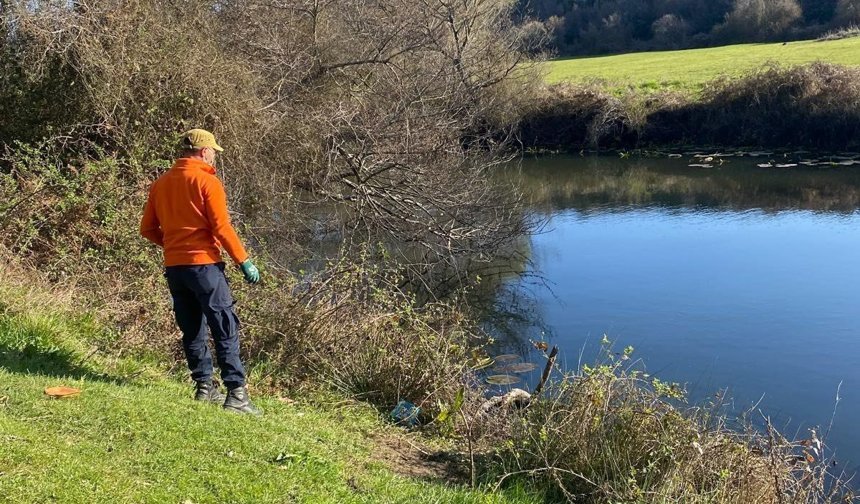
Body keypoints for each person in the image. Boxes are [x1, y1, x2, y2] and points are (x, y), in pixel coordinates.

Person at [140, 128, 261, 415]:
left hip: (175, 268)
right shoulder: (207, 182)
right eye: (213, 152)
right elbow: (221, 227)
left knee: (192, 328)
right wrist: (243, 261)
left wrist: (173, 245)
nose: (214, 157)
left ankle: (204, 388)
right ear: (205, 152)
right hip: (205, 266)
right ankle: (237, 395)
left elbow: (147, 229)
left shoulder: (160, 184)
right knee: (224, 326)